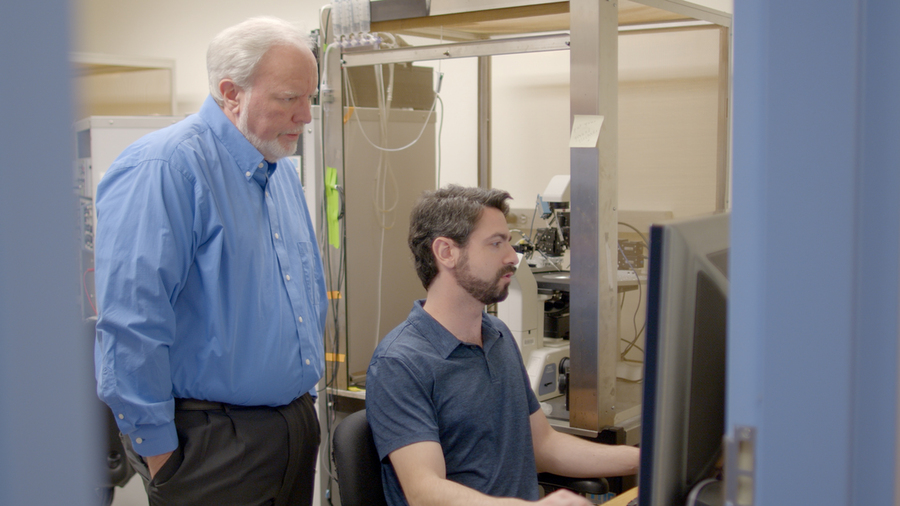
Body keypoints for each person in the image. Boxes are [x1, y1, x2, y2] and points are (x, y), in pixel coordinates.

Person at [94, 16, 326, 506]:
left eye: (311, 97)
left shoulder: (278, 170)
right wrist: (163, 458)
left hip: (290, 430)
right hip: (212, 444)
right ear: (231, 92)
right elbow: (132, 326)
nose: (305, 116)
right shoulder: (165, 168)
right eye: (289, 98)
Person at [365, 185, 640, 506]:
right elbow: (425, 491)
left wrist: (641, 459)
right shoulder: (400, 362)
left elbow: (544, 444)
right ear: (446, 252)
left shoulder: (497, 334)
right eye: (496, 243)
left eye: (508, 242)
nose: (512, 257)